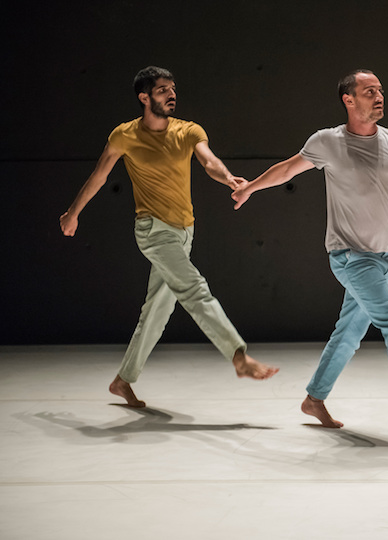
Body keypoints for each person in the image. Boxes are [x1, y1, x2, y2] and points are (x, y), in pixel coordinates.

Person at [232, 69, 388, 435]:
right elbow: (287, 170)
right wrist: (250, 188)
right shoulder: (327, 142)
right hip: (350, 258)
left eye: (380, 90)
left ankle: (314, 398)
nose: (379, 97)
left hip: (384, 258)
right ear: (348, 100)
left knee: (349, 332)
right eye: (368, 92)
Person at [60, 66, 278, 408]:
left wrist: (229, 178)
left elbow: (209, 162)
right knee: (194, 289)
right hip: (153, 230)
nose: (171, 94)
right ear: (144, 97)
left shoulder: (188, 131)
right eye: (162, 90)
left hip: (183, 232)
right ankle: (238, 356)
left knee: (157, 311)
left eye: (172, 89)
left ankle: (123, 380)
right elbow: (99, 176)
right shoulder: (124, 136)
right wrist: (73, 212)